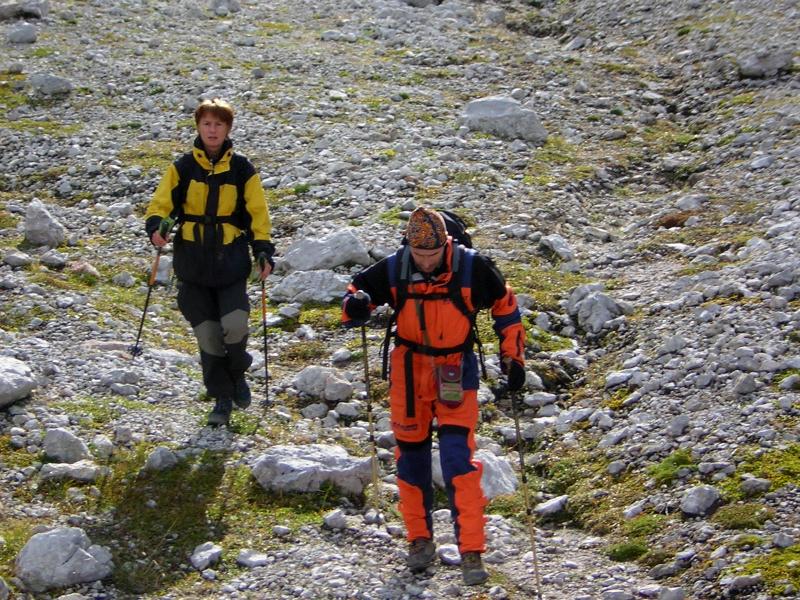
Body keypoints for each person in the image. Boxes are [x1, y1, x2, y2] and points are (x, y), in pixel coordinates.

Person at [341, 207, 526, 585]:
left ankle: (471, 550)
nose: (425, 262)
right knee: (411, 460)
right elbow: (354, 297)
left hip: (455, 368)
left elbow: (506, 306)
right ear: (409, 246)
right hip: (409, 372)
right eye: (418, 254)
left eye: (432, 254)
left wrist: (513, 358)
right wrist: (356, 305)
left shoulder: (473, 268)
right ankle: (419, 541)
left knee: (459, 459)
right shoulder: (396, 267)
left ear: (447, 244)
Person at [144, 98, 275, 426]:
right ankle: (222, 398)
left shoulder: (242, 169)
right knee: (208, 335)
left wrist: (263, 249)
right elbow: (161, 205)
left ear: (228, 128)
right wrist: (156, 228)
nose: (212, 130)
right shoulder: (182, 167)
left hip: (230, 262)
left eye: (218, 124)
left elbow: (258, 212)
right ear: (198, 127)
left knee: (235, 324)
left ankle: (237, 373)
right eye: (206, 124)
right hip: (193, 265)